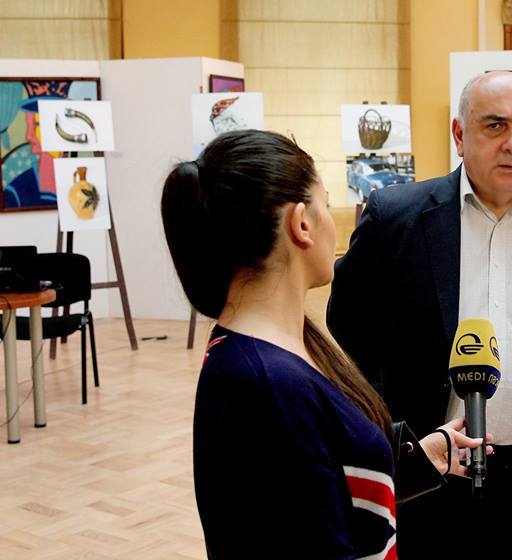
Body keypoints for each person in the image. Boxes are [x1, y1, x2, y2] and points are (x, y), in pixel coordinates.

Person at [328, 71, 512, 559]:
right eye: (495, 125)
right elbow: (349, 322)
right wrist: (397, 421)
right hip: (428, 460)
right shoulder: (395, 216)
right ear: (460, 135)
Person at [160, 130, 487, 558]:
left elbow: (318, 487)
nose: (333, 223)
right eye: (326, 204)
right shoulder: (268, 385)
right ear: (301, 223)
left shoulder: (277, 350)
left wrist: (416, 458)